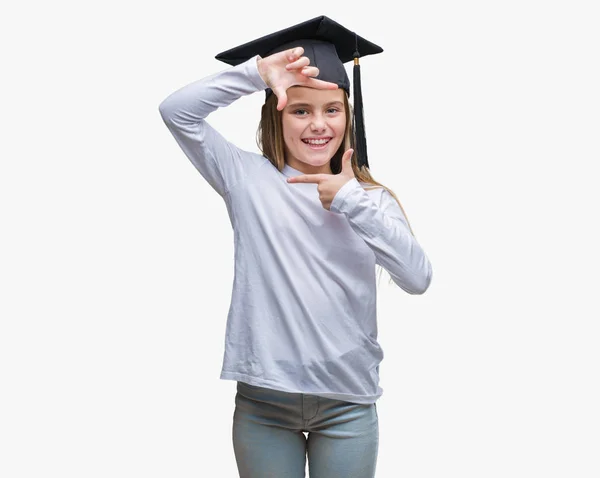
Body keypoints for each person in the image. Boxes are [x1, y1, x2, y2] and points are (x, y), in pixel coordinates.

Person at [159, 15, 432, 478]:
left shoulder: (372, 200)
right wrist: (254, 73)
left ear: (349, 116)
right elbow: (176, 111)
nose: (317, 125)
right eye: (300, 110)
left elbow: (418, 278)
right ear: (276, 113)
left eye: (332, 110)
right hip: (265, 402)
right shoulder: (246, 178)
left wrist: (350, 201)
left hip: (347, 403)